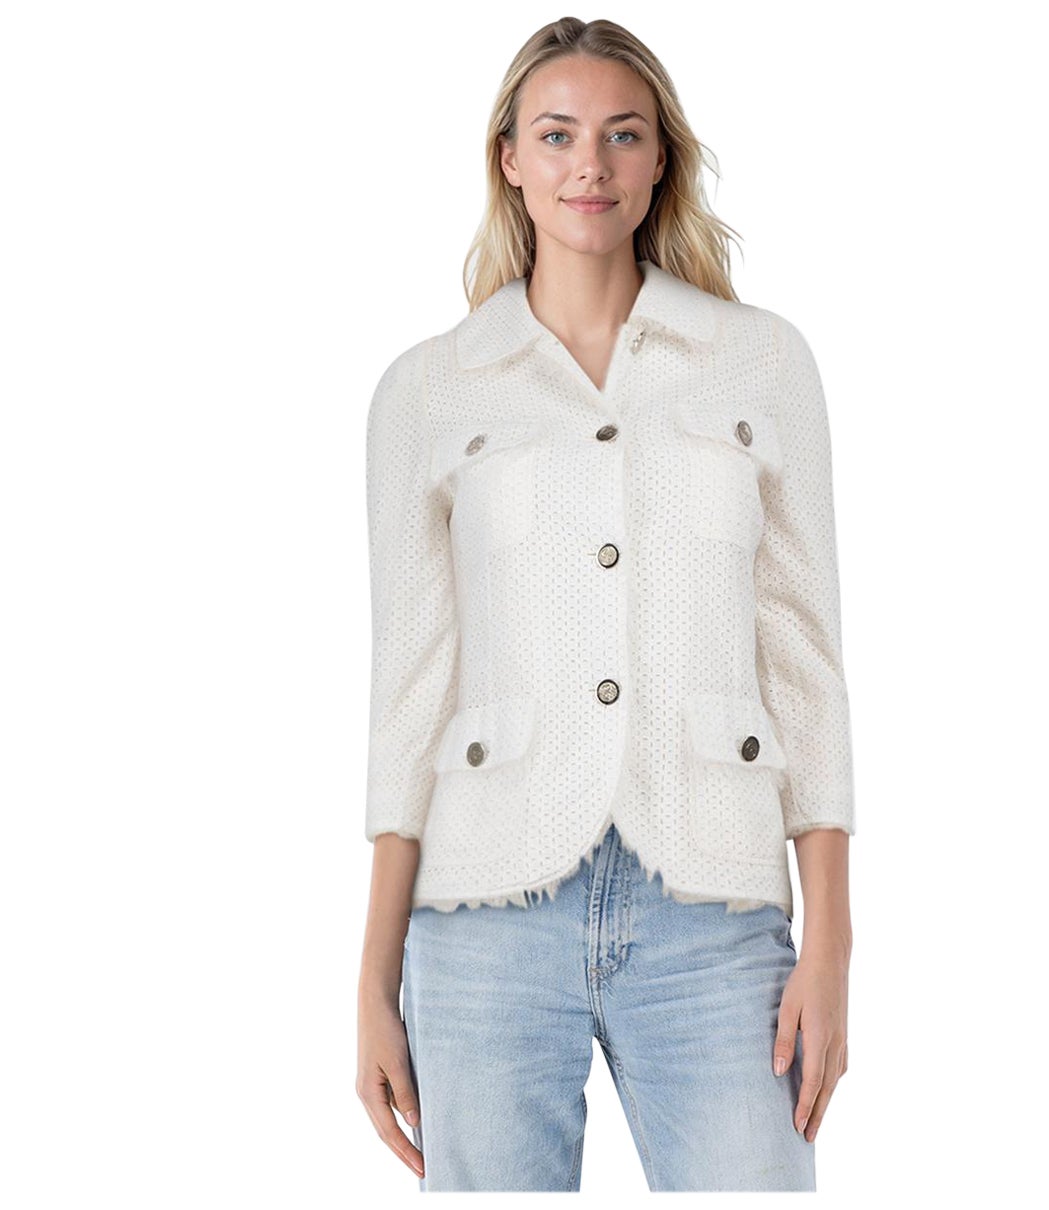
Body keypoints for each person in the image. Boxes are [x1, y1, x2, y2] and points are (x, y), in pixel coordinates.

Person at [355, 16, 854, 1193]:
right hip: (482, 916)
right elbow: (408, 694)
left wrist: (832, 939)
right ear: (509, 159)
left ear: (659, 159)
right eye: (558, 135)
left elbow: (804, 661)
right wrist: (373, 983)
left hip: (713, 907)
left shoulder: (759, 362)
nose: (590, 164)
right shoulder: (428, 389)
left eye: (623, 135)